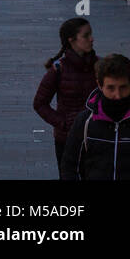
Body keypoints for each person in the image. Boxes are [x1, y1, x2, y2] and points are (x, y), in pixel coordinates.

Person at [33, 17, 97, 176]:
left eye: (91, 34)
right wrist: (63, 122)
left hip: (96, 137)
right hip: (67, 139)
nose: (91, 39)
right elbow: (40, 103)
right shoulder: (59, 69)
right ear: (72, 40)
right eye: (86, 35)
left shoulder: (99, 66)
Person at [60, 53, 130, 180]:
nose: (118, 95)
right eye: (111, 88)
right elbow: (70, 167)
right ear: (100, 85)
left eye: (123, 88)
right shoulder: (85, 122)